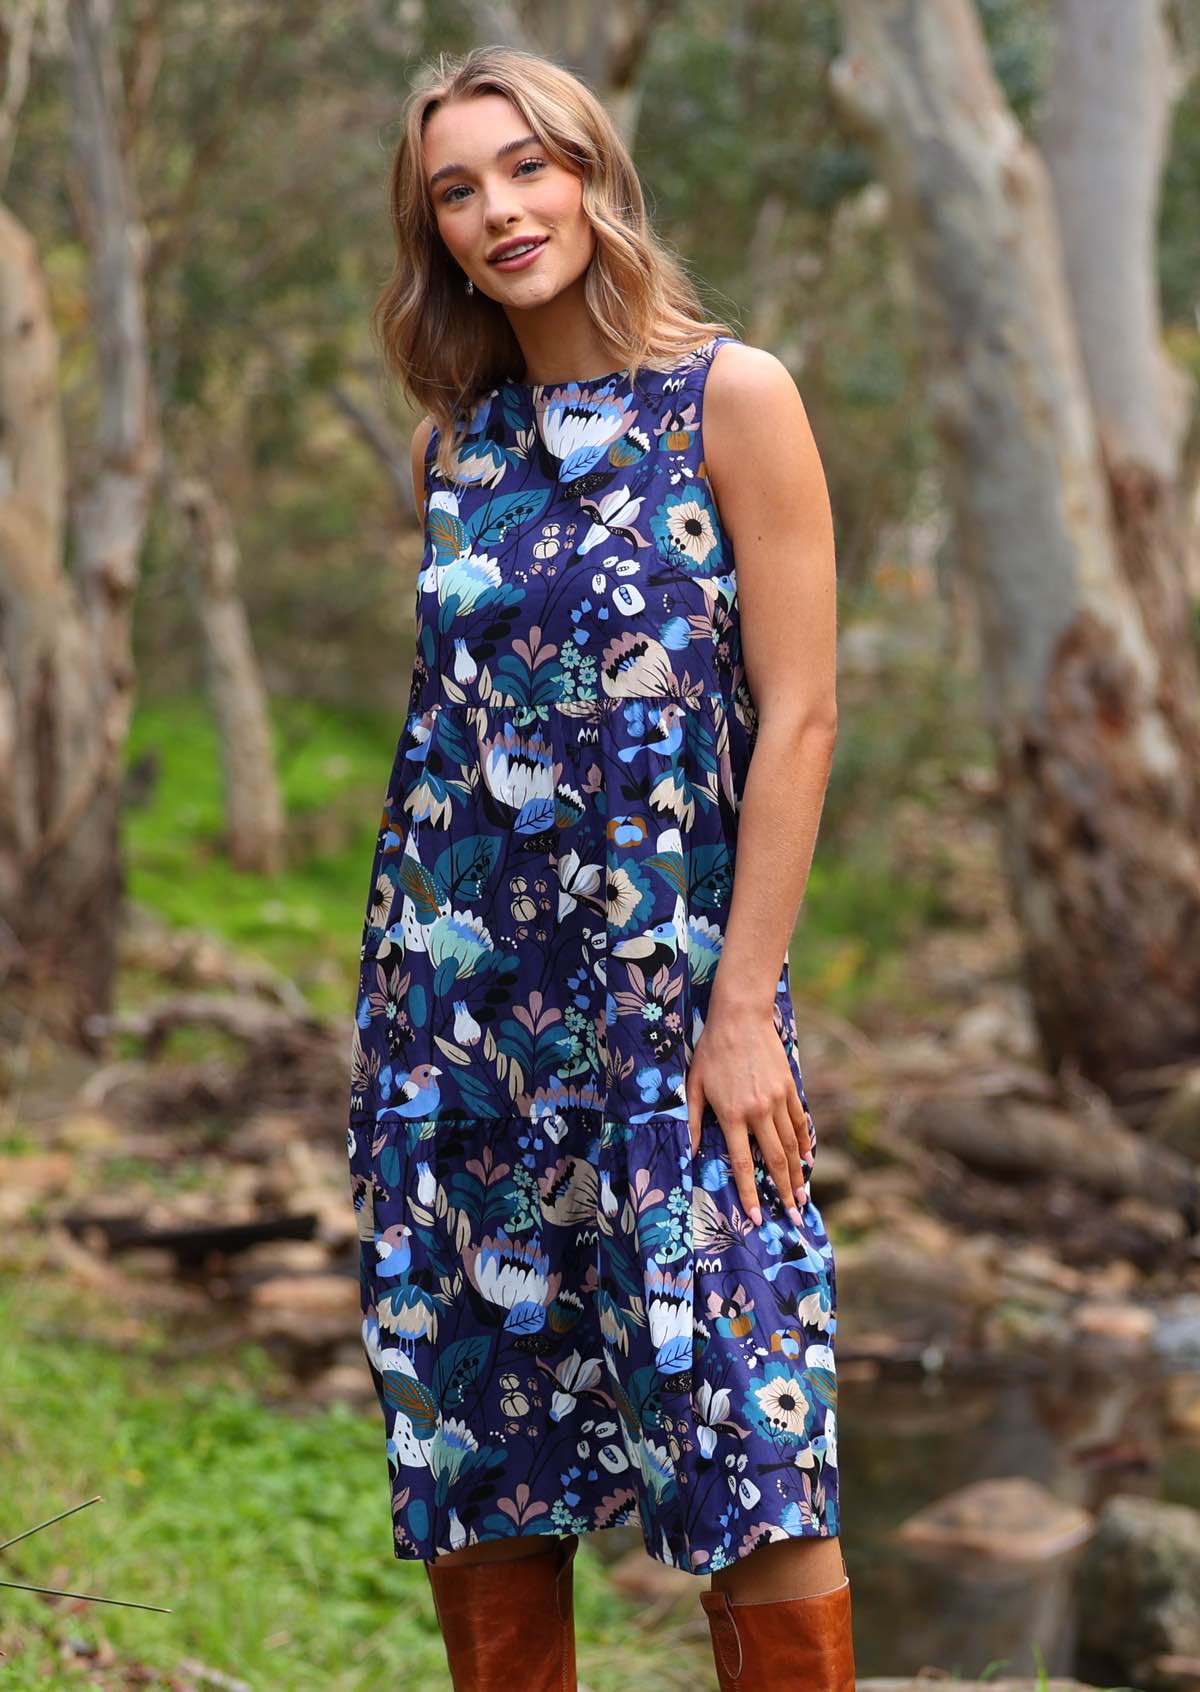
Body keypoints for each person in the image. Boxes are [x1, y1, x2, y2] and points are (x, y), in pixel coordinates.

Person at [346, 41, 853, 1692]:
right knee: (486, 1467)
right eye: (458, 190)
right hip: (467, 1029)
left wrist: (744, 1010)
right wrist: (408, 1042)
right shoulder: (455, 454)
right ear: (434, 232)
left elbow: (803, 716)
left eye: (527, 167)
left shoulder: (733, 396)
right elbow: (448, 749)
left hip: (677, 1027)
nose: (501, 210)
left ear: (593, 172)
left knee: (755, 1446)